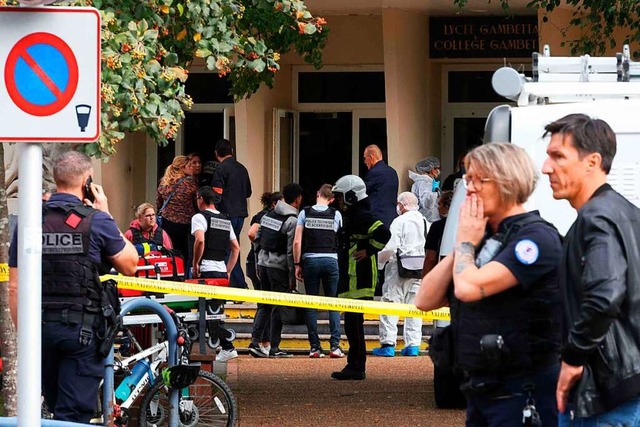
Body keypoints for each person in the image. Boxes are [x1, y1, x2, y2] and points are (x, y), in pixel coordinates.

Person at [415, 142, 563, 426]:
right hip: (482, 390)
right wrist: (463, 245)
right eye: (466, 179)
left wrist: (466, 242)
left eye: (477, 180)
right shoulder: (482, 240)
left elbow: (469, 288)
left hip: (523, 393)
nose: (468, 189)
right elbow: (425, 299)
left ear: (507, 181)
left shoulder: (535, 240)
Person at [8, 151, 138, 423]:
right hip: (82, 332)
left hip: (40, 330)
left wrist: (26, 337)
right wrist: (106, 212)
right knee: (73, 416)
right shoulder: (97, 220)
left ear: (56, 180)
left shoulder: (31, 220)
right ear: (88, 181)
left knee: (54, 411)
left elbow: (14, 287)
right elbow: (130, 265)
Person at [542, 114, 640, 424]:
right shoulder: (626, 213)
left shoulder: (595, 218)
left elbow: (604, 296)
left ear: (592, 161)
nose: (546, 167)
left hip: (606, 395)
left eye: (558, 156)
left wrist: (572, 358)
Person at [331, 175, 391, 380]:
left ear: (351, 196)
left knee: (354, 324)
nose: (338, 201)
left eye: (340, 197)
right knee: (351, 324)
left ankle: (356, 367)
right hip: (352, 277)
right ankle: (354, 365)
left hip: (360, 278)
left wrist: (368, 250)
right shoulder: (355, 214)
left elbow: (384, 233)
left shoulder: (363, 215)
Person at [293, 184, 345, 359]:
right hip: (331, 259)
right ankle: (335, 346)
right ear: (331, 200)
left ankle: (315, 347)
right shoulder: (336, 214)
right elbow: (340, 237)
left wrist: (297, 264)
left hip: (310, 260)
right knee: (333, 304)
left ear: (317, 194)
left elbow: (297, 242)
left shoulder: (304, 213)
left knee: (311, 304)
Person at [372, 192, 426, 357]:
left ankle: (388, 344)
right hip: (419, 269)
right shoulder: (425, 221)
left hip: (398, 268)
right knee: (415, 307)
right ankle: (413, 345)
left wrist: (379, 265)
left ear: (401, 205)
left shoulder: (399, 221)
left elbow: (390, 247)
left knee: (390, 303)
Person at [191, 186, 240, 363]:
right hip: (220, 271)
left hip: (206, 269)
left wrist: (195, 263)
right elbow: (236, 248)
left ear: (200, 199)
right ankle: (224, 345)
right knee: (215, 311)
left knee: (206, 312)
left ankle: (227, 345)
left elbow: (200, 240)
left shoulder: (199, 217)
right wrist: (228, 270)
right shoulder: (225, 219)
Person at [254, 183, 303, 358]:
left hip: (263, 264)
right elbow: (290, 251)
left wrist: (257, 265)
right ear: (298, 199)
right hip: (278, 267)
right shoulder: (292, 221)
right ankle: (274, 347)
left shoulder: (268, 215)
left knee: (264, 306)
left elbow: (257, 240)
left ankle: (254, 342)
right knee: (277, 308)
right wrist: (292, 276)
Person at [211, 138, 252, 289]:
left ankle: (237, 285)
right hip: (240, 215)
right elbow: (248, 192)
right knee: (235, 247)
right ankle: (238, 284)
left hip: (225, 215)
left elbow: (217, 195)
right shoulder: (242, 168)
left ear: (216, 154)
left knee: (227, 251)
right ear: (232, 152)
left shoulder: (220, 169)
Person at [246, 191, 283, 358]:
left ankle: (265, 343)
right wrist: (264, 246)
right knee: (265, 305)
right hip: (259, 264)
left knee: (267, 304)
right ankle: (256, 342)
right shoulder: (263, 216)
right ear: (274, 204)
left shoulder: (267, 216)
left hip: (260, 263)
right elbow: (252, 234)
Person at [156, 155, 198, 258]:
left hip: (167, 222)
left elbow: (159, 202)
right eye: (189, 165)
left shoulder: (164, 182)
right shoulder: (189, 183)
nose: (192, 167)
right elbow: (197, 202)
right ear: (182, 168)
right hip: (185, 224)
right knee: (184, 253)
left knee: (169, 251)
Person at [362, 144, 399, 227]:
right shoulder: (393, 172)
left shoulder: (374, 173)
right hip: (392, 217)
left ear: (370, 157)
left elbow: (362, 193)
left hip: (377, 219)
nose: (364, 162)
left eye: (365, 158)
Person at [422, 190, 453, 276]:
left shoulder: (438, 226)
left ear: (446, 206)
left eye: (439, 204)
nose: (438, 208)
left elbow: (430, 259)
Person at [409, 156, 441, 223]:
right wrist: (434, 191)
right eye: (436, 168)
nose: (438, 171)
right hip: (428, 220)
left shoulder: (429, 182)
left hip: (431, 219)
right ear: (430, 169)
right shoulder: (424, 183)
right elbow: (428, 205)